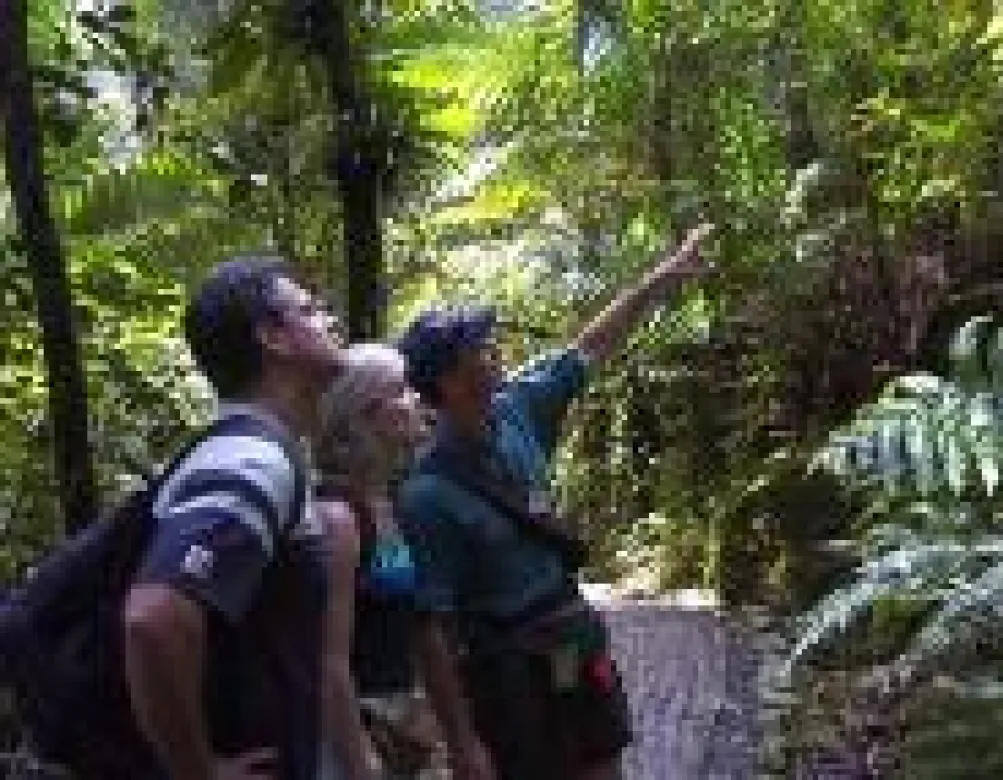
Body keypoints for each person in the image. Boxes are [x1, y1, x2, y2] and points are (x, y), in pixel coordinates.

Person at [397, 224, 715, 780]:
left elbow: (588, 347)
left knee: (602, 761)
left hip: (570, 633)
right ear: (448, 380)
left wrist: (658, 282)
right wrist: (462, 741)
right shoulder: (426, 496)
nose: (494, 351)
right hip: (507, 669)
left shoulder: (518, 411)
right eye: (479, 347)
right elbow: (432, 629)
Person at [122, 256, 343, 780]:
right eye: (311, 310)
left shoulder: (263, 454)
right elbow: (154, 617)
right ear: (273, 337)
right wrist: (197, 770)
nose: (329, 321)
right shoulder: (251, 462)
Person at [311, 343, 440, 780]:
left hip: (401, 729)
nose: (416, 399)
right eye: (401, 390)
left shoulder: (393, 501)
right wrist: (360, 761)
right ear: (365, 413)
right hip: (352, 738)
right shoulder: (337, 515)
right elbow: (328, 659)